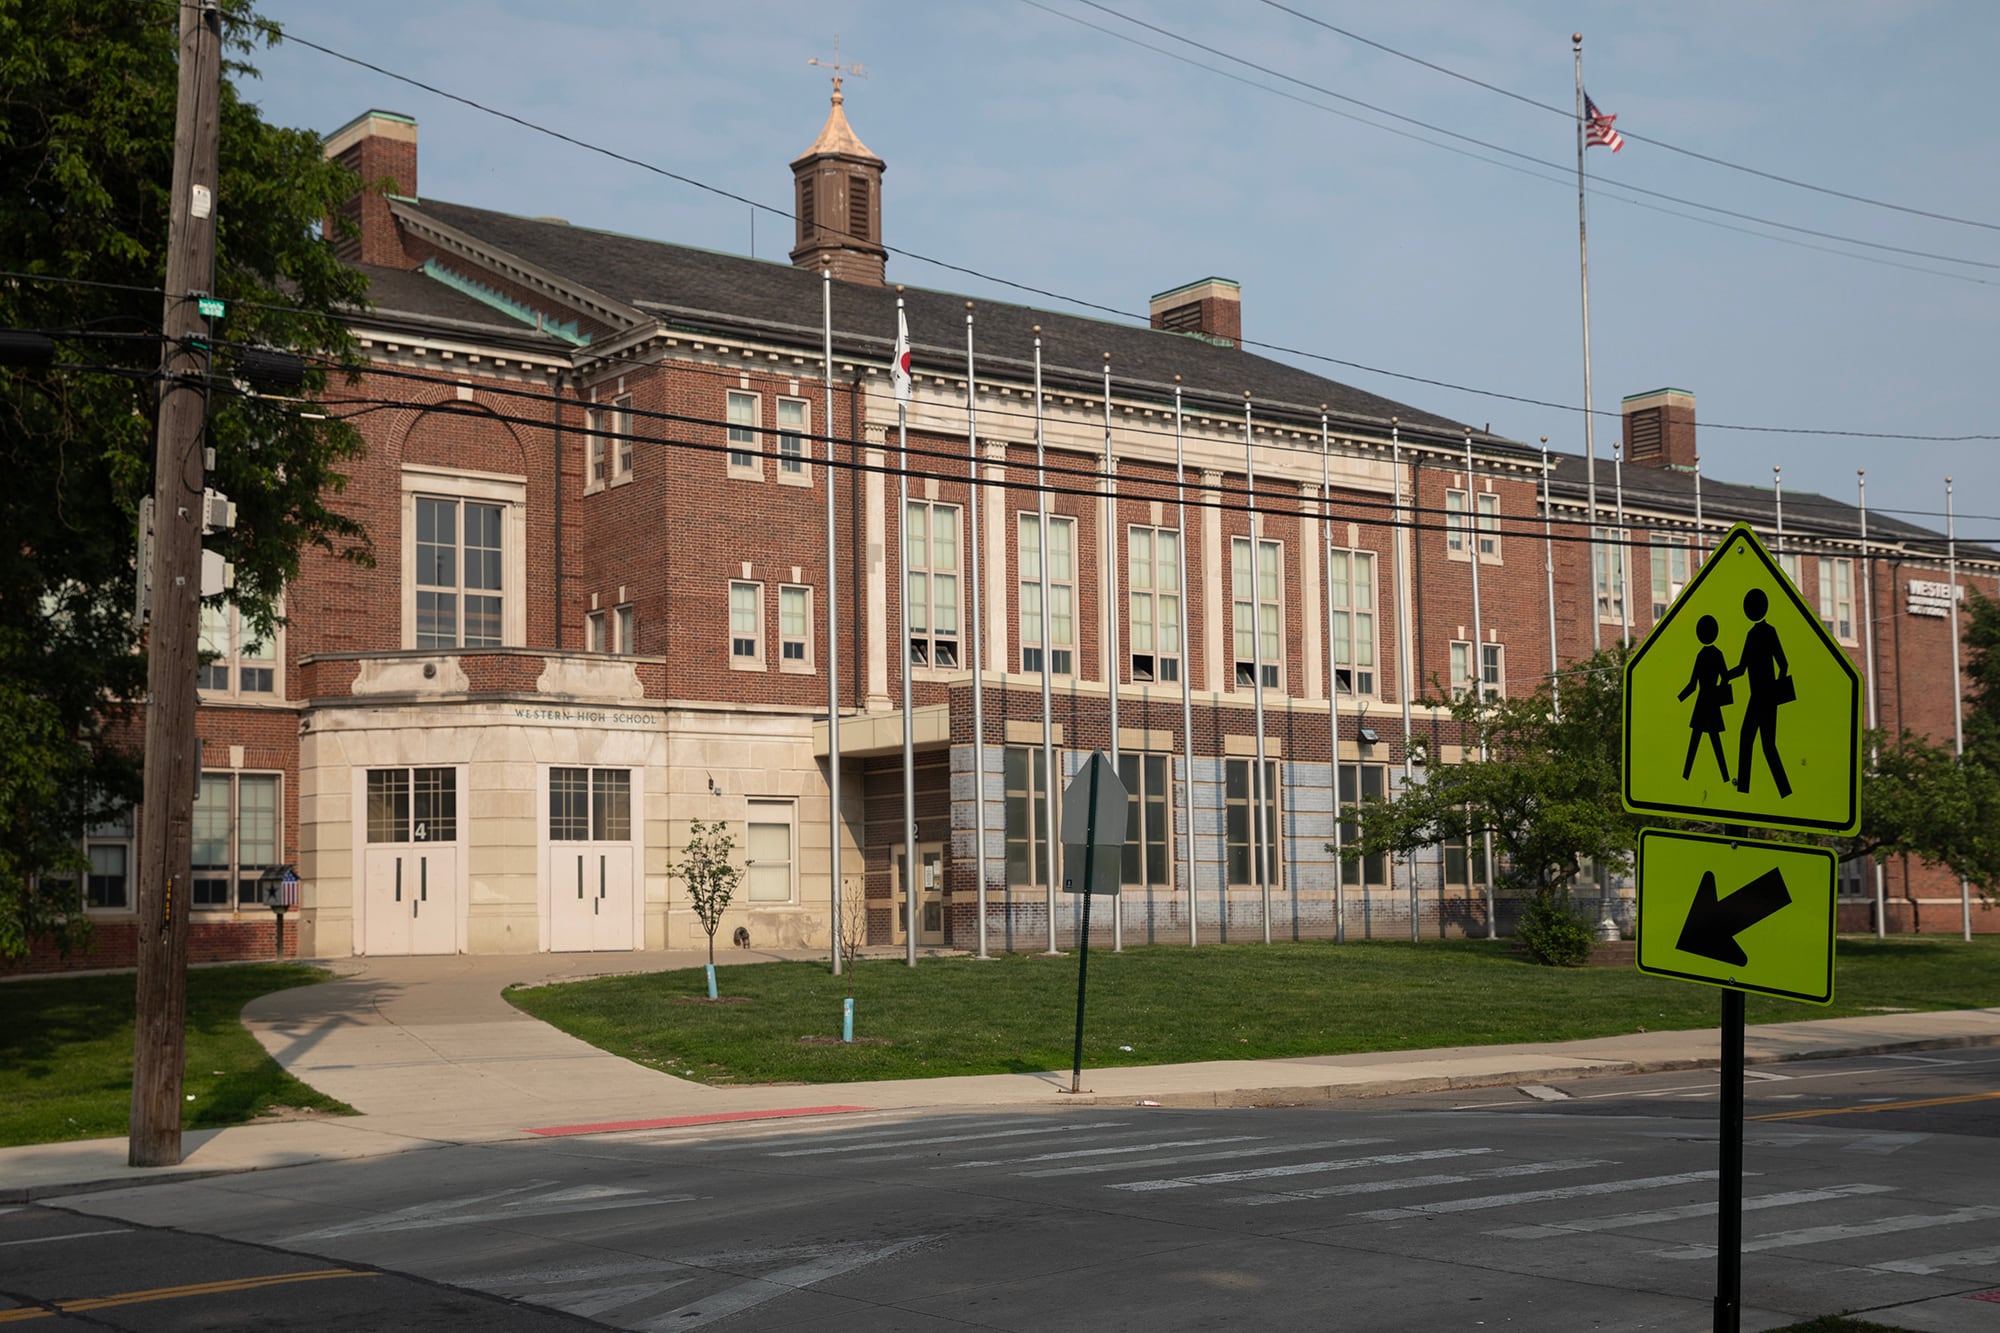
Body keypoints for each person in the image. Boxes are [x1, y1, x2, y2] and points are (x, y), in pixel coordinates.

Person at [1726, 587, 1793, 798]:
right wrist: (1726, 676)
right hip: (1757, 697)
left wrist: (1777, 689)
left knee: (1766, 745)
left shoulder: (1768, 632)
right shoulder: (1752, 634)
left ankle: (1784, 790)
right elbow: (1742, 667)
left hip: (1766, 697)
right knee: (1749, 739)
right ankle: (1745, 789)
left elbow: (1783, 663)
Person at [1678, 614, 1732, 783]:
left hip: (1703, 702)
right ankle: (1724, 777)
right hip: (1712, 701)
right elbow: (1725, 676)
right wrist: (1719, 690)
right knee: (1714, 742)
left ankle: (1686, 775)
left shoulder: (1702, 655)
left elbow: (1693, 684)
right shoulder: (1718, 654)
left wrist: (1680, 698)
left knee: (1696, 741)